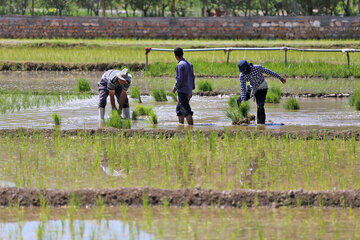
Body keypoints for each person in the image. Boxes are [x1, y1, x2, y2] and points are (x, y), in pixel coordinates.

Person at [237, 60, 286, 124]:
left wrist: (280, 78)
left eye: (244, 70)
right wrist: (243, 101)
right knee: (239, 100)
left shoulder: (257, 68)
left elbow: (269, 72)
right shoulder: (242, 76)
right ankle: (244, 118)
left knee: (260, 106)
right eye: (242, 71)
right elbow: (243, 88)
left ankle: (261, 124)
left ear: (247, 68)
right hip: (252, 87)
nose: (243, 72)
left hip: (262, 88)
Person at [172, 47, 195, 125]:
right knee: (179, 109)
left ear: (175, 55)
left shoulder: (180, 65)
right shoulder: (189, 64)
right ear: (182, 54)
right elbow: (193, 78)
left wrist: (175, 88)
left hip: (182, 91)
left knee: (186, 110)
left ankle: (191, 127)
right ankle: (181, 126)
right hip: (188, 90)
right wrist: (191, 90)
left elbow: (179, 79)